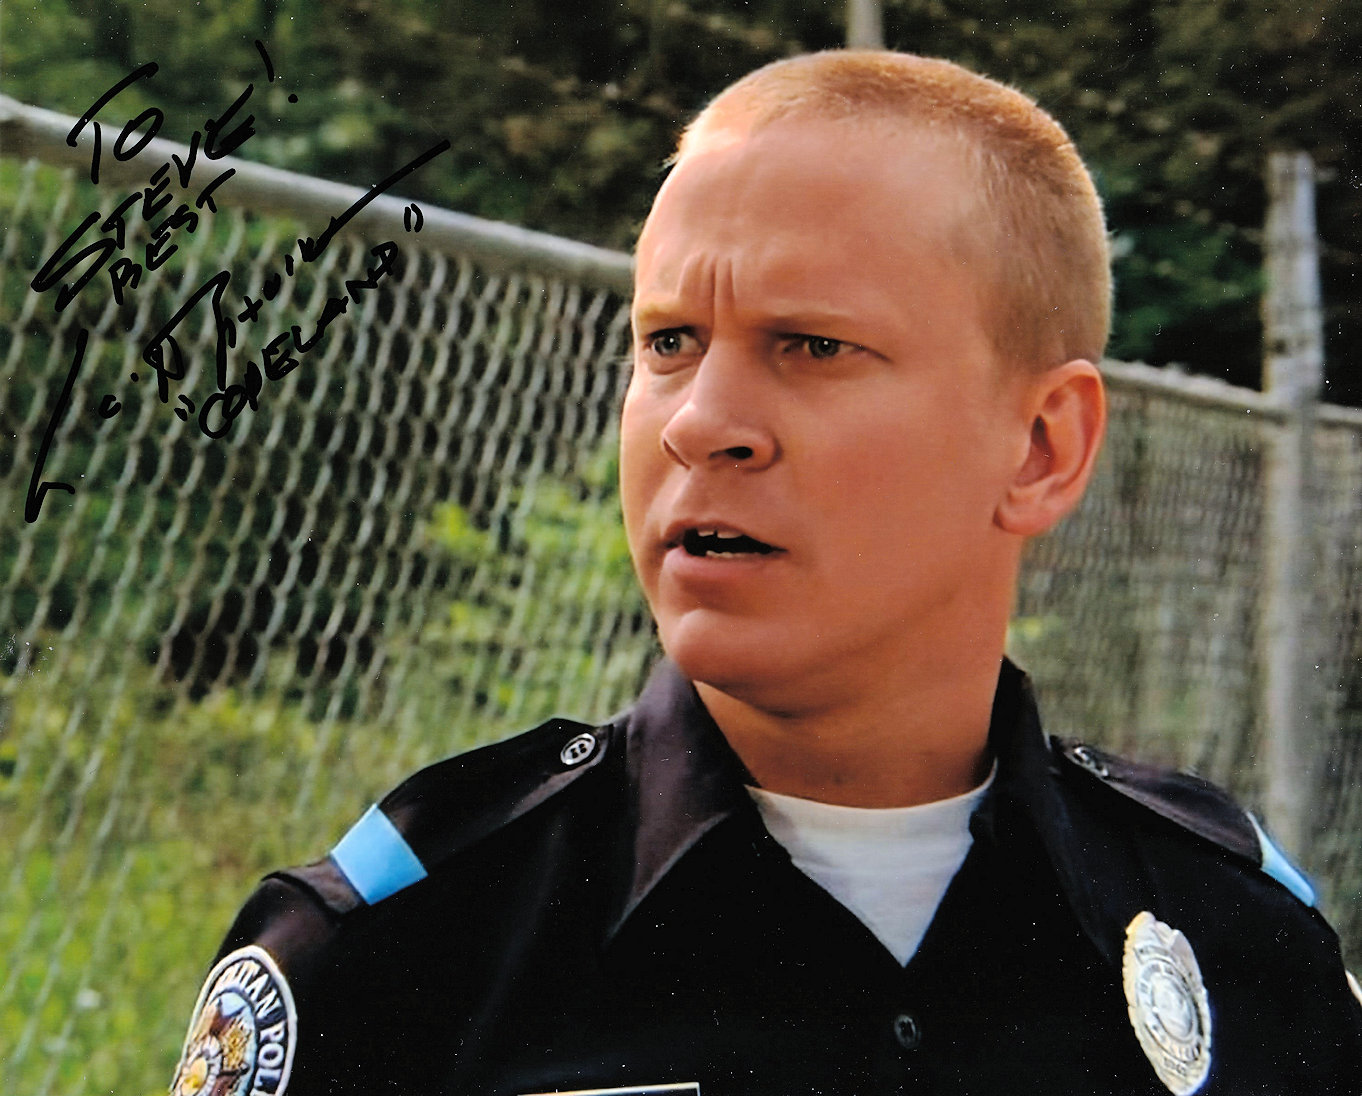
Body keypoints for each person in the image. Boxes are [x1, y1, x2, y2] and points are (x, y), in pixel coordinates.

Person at [169, 50, 1362, 1096]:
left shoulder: (1243, 950)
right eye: (668, 342)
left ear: (1042, 446)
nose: (701, 422)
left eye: (812, 344)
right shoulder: (404, 954)